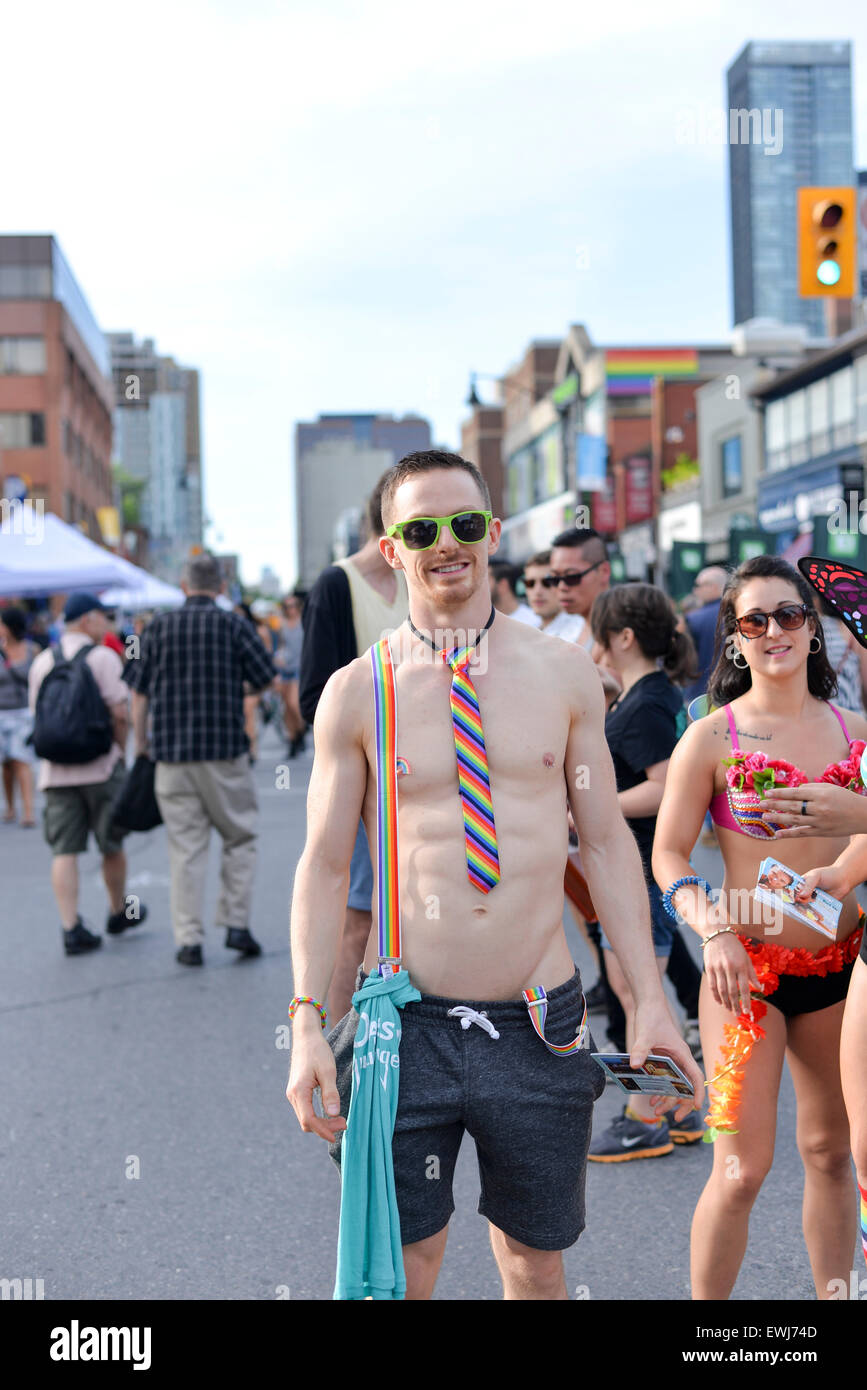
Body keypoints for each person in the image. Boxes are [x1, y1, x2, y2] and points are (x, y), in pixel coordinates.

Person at [286, 449, 701, 1301]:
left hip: (539, 1021)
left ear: (494, 535)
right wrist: (303, 1024)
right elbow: (325, 868)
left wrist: (650, 999)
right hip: (403, 1027)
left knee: (534, 1261)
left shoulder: (562, 674)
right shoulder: (357, 692)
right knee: (401, 1269)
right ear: (391, 549)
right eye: (421, 529)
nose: (447, 543)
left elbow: (604, 842)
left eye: (465, 524)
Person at [652, 554, 867, 1299]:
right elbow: (668, 853)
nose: (772, 630)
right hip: (744, 971)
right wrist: (709, 929)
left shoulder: (858, 731)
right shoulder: (711, 737)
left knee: (831, 1154)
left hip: (844, 970)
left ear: (812, 630)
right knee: (739, 1168)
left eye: (788, 614)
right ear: (734, 640)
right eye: (753, 620)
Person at [586, 583, 704, 1160]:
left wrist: (590, 807)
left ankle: (644, 1117)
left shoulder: (644, 705)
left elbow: (664, 789)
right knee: (643, 994)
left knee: (639, 995)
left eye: (598, 631)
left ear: (623, 637)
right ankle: (679, 1110)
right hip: (640, 866)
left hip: (638, 868)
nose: (591, 643)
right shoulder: (651, 695)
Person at [125, 553, 275, 966]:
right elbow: (264, 677)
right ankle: (236, 925)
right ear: (222, 587)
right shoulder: (233, 624)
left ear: (183, 585)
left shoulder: (155, 628)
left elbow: (137, 695)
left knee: (185, 849)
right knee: (239, 838)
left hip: (170, 756)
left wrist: (142, 742)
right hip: (224, 753)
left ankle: (189, 939)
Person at [298, 473, 408, 1023]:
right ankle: (342, 1048)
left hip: (436, 777)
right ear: (386, 524)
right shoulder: (336, 585)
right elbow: (313, 697)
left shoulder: (421, 580)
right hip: (365, 778)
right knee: (360, 918)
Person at [28, 593, 140, 956]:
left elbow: (38, 715)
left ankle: (70, 926)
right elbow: (120, 715)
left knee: (64, 850)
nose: (107, 624)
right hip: (100, 766)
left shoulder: (42, 661)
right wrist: (119, 751)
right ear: (88, 620)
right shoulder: (103, 658)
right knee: (112, 844)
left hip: (56, 771)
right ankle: (117, 909)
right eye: (103, 618)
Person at [0, 606, 37, 826]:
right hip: (1, 712)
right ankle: (11, 807)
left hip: (23, 712)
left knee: (22, 760)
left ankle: (29, 811)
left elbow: (33, 678)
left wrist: (9, 662)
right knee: (6, 764)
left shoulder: (31, 649)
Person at [547, 527, 611, 651]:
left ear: (604, 571)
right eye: (554, 579)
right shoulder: (567, 631)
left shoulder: (620, 632)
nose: (562, 587)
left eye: (571, 577)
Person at [682, 566, 728, 707]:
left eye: (698, 585)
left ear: (713, 587)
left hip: (698, 698)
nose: (695, 590)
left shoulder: (692, 619)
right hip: (734, 695)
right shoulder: (742, 614)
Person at [522, 551, 586, 642]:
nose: (537, 591)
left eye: (547, 582)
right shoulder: (527, 632)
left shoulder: (578, 633)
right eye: (530, 583)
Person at [275, 595, 307, 758]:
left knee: (294, 704)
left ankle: (301, 732)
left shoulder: (305, 622)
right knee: (286, 707)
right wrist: (278, 657)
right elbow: (281, 645)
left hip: (299, 668)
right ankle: (293, 740)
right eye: (287, 606)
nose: (291, 609)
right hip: (285, 668)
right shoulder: (282, 625)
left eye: (294, 605)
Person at [488, 560, 539, 627]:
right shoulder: (479, 624)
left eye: (485, 581)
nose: (479, 586)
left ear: (503, 585)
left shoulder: (534, 623)